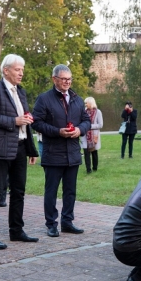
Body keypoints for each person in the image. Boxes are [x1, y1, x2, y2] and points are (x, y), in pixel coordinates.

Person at [0, 54, 39, 250]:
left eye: (22, 70)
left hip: (20, 147)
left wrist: (31, 149)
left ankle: (16, 231)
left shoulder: (20, 91)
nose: (21, 73)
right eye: (17, 69)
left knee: (19, 191)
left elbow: (24, 121)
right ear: (6, 71)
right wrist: (13, 121)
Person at [32, 64, 91, 238]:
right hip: (53, 152)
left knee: (70, 190)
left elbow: (86, 120)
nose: (67, 82)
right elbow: (37, 122)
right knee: (51, 191)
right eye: (63, 79)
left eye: (69, 79)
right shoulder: (44, 99)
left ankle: (67, 221)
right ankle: (51, 224)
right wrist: (57, 131)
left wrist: (80, 130)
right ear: (54, 79)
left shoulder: (77, 99)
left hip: (72, 152)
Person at [80, 97, 103, 173]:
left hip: (94, 136)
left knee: (94, 152)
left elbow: (100, 125)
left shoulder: (98, 112)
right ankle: (88, 169)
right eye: (85, 103)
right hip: (85, 135)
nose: (85, 104)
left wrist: (90, 126)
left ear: (91, 103)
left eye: (86, 103)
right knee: (86, 152)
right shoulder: (83, 112)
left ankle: (95, 168)